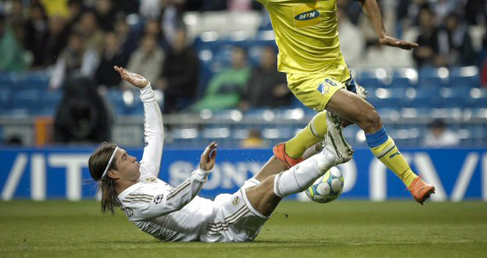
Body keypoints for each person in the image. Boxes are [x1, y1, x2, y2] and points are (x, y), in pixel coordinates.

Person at [145, 0, 435, 204]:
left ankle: (279, 162)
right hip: (305, 78)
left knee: (345, 120)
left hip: (338, 73)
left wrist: (381, 34)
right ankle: (414, 183)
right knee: (368, 116)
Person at [88, 67, 347, 242]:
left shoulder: (140, 177)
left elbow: (154, 136)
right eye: (124, 158)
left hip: (222, 211)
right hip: (221, 228)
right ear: (113, 172)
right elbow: (171, 202)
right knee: (271, 186)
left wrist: (146, 90)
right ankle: (331, 155)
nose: (133, 158)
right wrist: (200, 174)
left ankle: (340, 119)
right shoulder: (134, 202)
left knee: (283, 157)